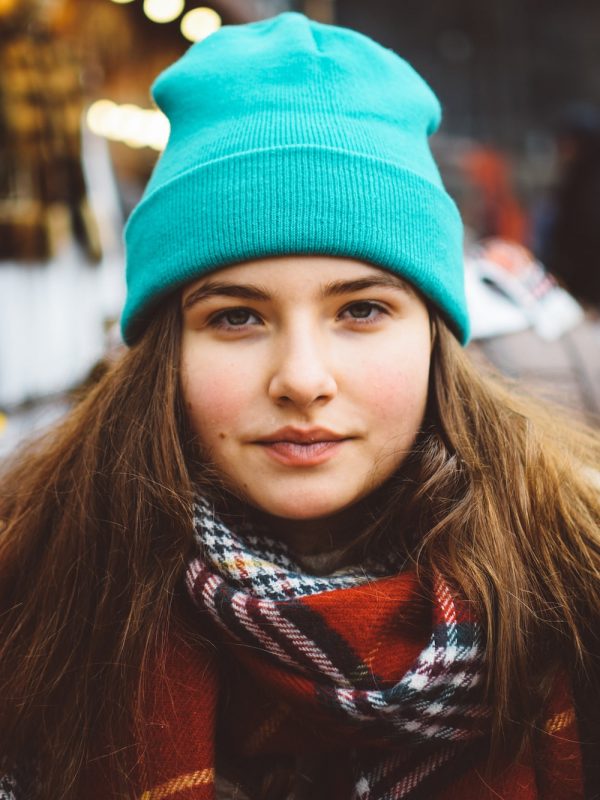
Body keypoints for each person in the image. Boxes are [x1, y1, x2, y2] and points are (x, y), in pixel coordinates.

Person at [0, 13, 599, 800]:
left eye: (361, 311)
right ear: (164, 350)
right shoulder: (33, 604)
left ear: (434, 337)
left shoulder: (573, 586)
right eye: (236, 316)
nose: (302, 379)